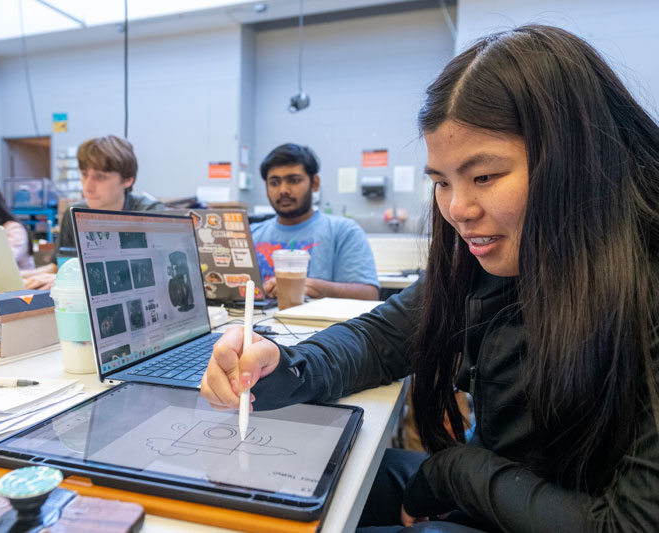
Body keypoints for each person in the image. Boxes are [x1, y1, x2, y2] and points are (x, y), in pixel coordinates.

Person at [202, 25, 659, 531]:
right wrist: (285, 367)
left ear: (577, 160)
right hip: (498, 485)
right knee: (283, 483)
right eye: (441, 182)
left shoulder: (645, 285)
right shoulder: (487, 264)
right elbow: (379, 339)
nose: (457, 209)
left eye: (484, 176)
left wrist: (452, 474)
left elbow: (630, 524)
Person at [23, 135, 164, 289]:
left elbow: (149, 275)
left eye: (100, 177)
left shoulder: (149, 215)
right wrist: (19, 277)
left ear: (128, 180)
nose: (88, 187)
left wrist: (74, 282)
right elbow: (58, 267)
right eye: (84, 175)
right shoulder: (75, 215)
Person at [251, 143, 380, 301]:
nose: (283, 190)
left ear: (315, 183)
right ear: (266, 188)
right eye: (274, 183)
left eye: (294, 180)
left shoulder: (343, 231)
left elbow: (369, 295)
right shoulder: (251, 235)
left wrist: (312, 287)